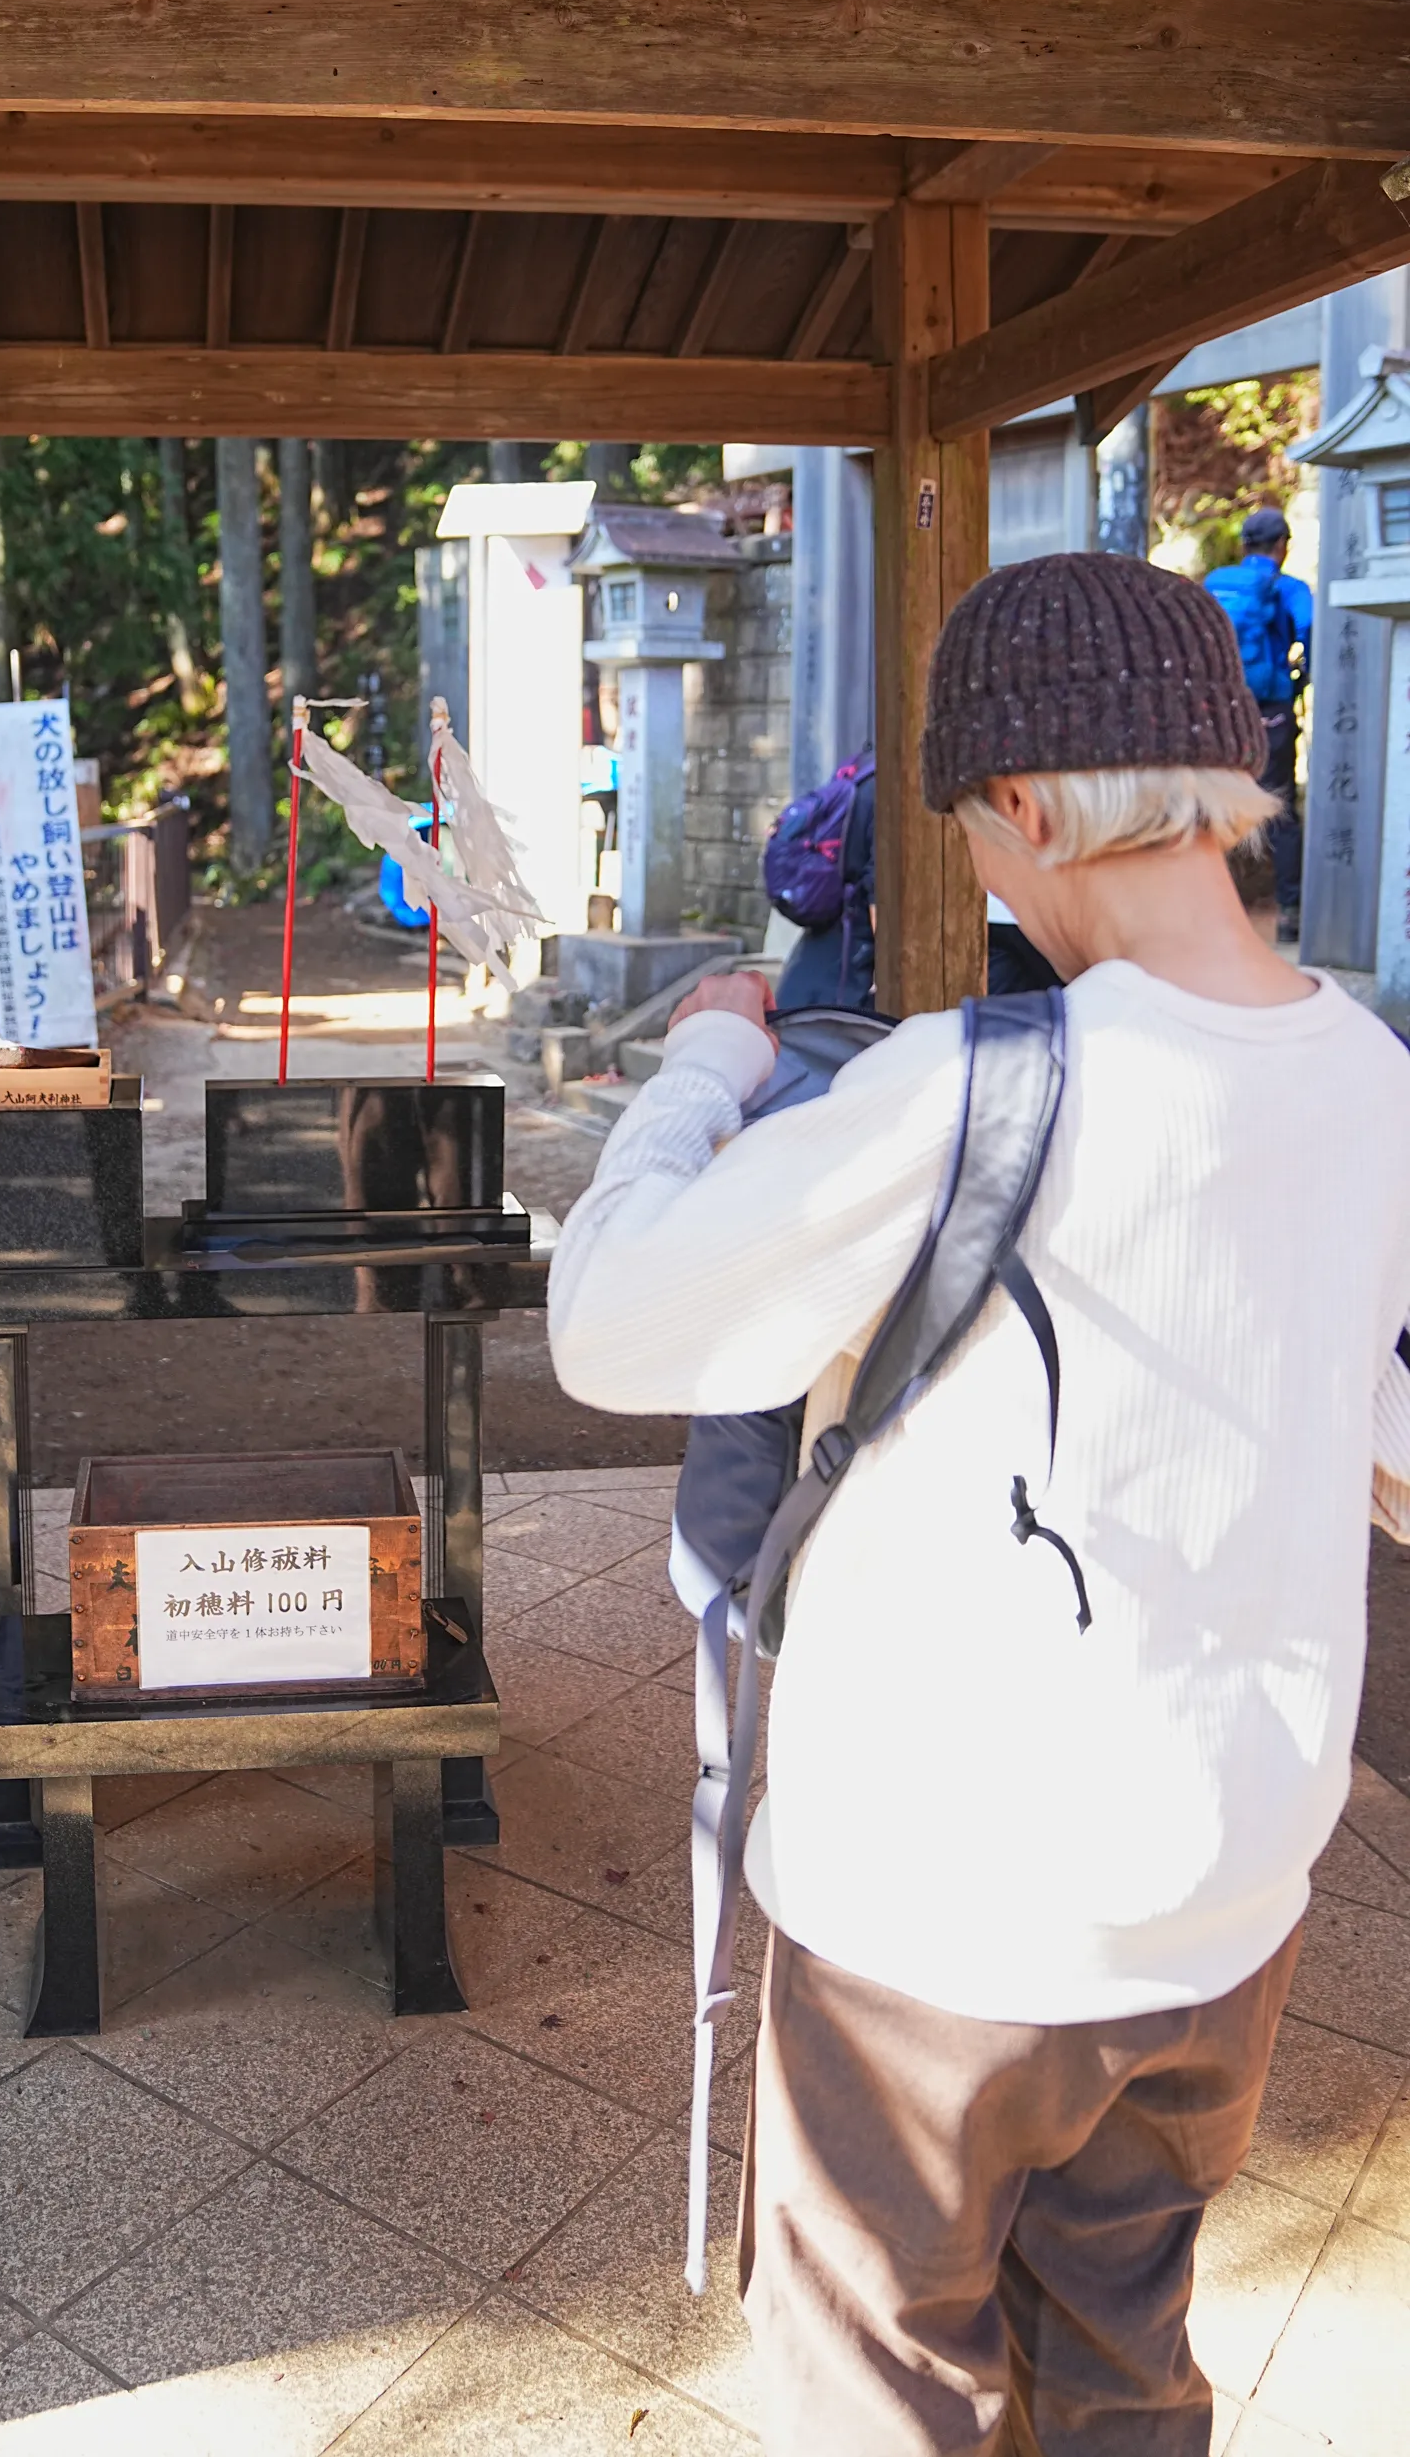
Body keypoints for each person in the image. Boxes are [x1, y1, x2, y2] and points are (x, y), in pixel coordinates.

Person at [548, 551, 1410, 2457]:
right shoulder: (1370, 1078)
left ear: (1029, 803)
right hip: (1227, 1901)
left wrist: (700, 1067)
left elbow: (618, 1325)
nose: (987, 882)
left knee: (879, 2380)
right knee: (1120, 2362)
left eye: (976, 840)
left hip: (940, 1916)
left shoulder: (968, 1085)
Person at [1204, 503, 1312, 936]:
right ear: (1282, 545)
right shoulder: (1288, 589)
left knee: (1220, 801)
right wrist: (1301, 676)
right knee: (1281, 809)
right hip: (1271, 712)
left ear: (1245, 544)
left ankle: (1217, 909)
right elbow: (1311, 632)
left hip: (1222, 710)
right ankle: (1288, 915)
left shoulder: (1219, 585)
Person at [772, 753, 876, 1011]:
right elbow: (879, 903)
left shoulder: (864, 770)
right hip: (843, 982)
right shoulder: (888, 790)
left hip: (811, 969)